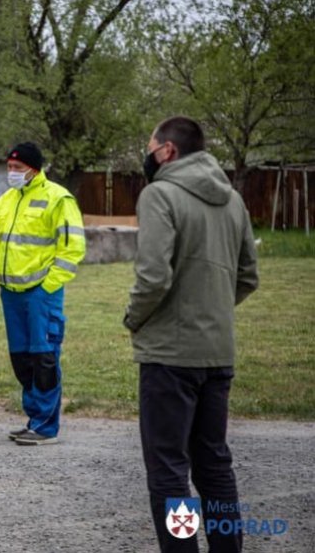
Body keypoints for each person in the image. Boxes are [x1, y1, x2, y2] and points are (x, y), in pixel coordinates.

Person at [124, 116, 258, 553]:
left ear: (167, 151)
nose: (146, 154)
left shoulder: (159, 194)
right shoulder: (233, 200)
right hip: (217, 352)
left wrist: (134, 318)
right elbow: (247, 276)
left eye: (149, 146)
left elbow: (153, 276)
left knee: (168, 470)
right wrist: (211, 311)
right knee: (214, 465)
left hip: (169, 356)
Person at [0, 142, 85, 446]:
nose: (12, 173)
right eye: (9, 167)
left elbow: (73, 247)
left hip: (41, 293)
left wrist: (49, 285)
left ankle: (45, 426)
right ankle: (34, 418)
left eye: (18, 168)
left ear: (34, 168)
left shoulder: (58, 198)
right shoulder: (6, 200)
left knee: (44, 358)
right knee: (22, 360)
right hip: (11, 293)